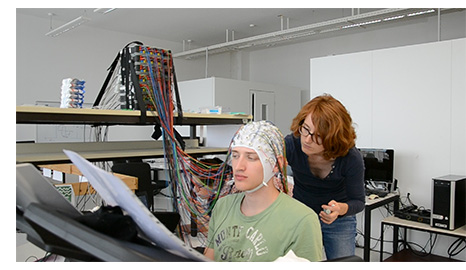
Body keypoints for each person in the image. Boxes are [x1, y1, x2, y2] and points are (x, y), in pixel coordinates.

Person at [204, 121, 323, 262]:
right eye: (235, 156)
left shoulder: (302, 220)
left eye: (251, 157)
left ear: (275, 164)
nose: (239, 166)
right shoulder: (223, 206)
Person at [285, 94, 365, 260]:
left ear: (333, 139)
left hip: (338, 221)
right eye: (305, 128)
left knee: (343, 262)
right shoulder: (292, 144)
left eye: (318, 136)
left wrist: (340, 209)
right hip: (301, 215)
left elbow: (358, 201)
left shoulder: (351, 158)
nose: (307, 139)